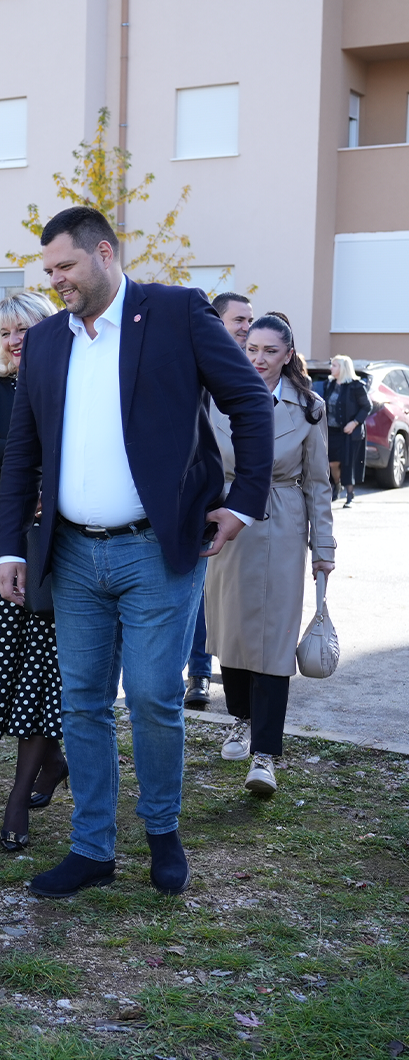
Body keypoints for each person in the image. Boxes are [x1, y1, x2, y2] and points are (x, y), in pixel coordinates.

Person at [0, 206, 273, 900]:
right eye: (49, 269)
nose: (56, 280)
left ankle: (161, 834)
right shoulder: (50, 341)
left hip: (157, 550)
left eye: (66, 266)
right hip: (73, 557)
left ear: (106, 253)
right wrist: (9, 546)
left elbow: (249, 401)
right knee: (83, 703)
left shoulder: (176, 313)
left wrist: (242, 502)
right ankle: (92, 849)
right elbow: (23, 451)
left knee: (153, 697)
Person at [207, 315, 334, 797]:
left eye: (268, 351)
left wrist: (323, 547)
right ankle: (239, 720)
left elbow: (319, 483)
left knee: (275, 638)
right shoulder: (218, 396)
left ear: (288, 354)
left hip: (282, 522)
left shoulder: (311, 408)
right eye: (251, 348)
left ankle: (265, 755)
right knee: (233, 631)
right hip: (226, 521)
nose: (257, 358)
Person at [0, 291, 66, 851]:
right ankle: (54, 763)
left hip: (58, 535)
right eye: (5, 332)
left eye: (24, 329)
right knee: (2, 661)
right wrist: (42, 457)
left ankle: (18, 794)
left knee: (42, 668)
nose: (14, 340)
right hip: (1, 535)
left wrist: (24, 456)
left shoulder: (70, 380)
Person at [187, 291, 256, 709]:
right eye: (238, 320)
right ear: (216, 322)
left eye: (250, 320)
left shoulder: (252, 372)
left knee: (230, 599)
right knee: (200, 594)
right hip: (203, 499)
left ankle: (240, 680)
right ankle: (198, 673)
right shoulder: (196, 370)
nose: (246, 327)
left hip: (241, 503)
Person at [324, 355, 373, 507]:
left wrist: (354, 423)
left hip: (349, 432)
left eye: (334, 366)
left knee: (348, 462)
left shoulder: (356, 386)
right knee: (332, 463)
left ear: (343, 368)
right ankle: (336, 485)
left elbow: (367, 406)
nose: (331, 368)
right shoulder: (330, 384)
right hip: (331, 431)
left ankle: (350, 494)